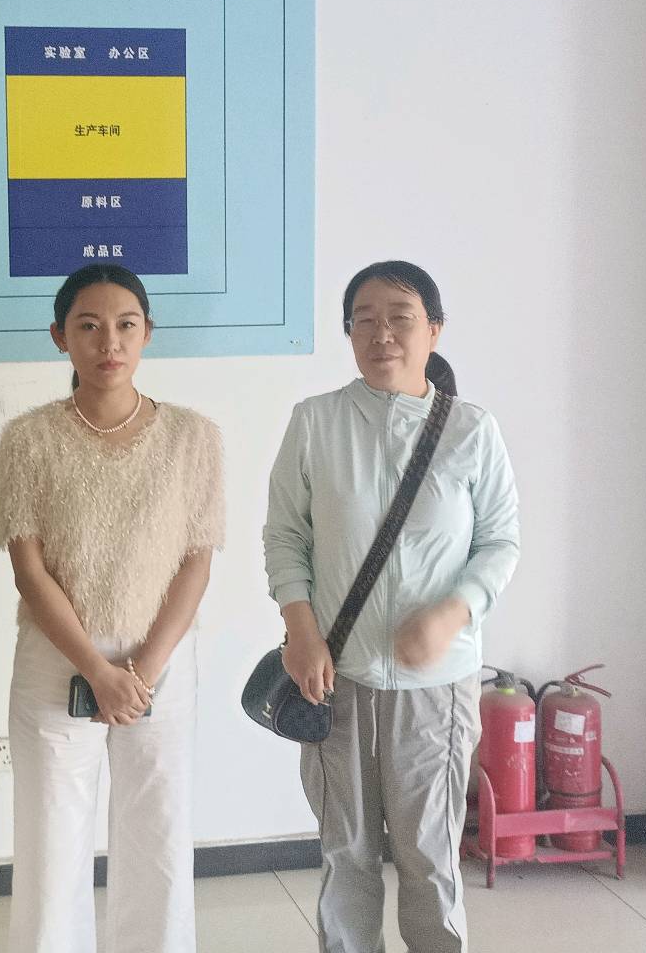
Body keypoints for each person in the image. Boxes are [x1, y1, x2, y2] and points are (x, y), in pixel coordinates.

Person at [263, 261, 520, 953]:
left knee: (429, 855)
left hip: (437, 688)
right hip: (334, 677)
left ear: (434, 330)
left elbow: (500, 543)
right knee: (345, 851)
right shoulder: (315, 422)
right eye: (365, 320)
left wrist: (453, 613)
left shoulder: (471, 430)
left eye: (400, 318)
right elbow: (285, 536)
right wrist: (300, 630)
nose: (382, 334)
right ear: (348, 333)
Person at [0, 263, 225, 953]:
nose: (109, 342)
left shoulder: (193, 437)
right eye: (88, 326)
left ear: (148, 332)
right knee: (51, 842)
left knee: (159, 835)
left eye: (125, 325)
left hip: (162, 661)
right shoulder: (27, 439)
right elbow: (29, 570)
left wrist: (143, 670)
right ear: (60, 336)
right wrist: (97, 670)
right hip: (57, 661)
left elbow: (198, 559)